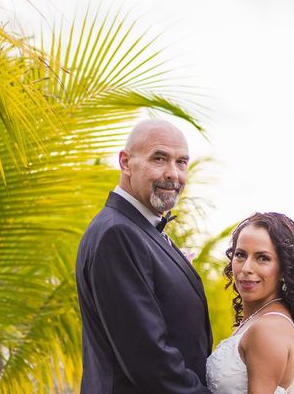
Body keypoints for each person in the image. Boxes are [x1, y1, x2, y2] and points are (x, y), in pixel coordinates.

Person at [76, 119, 213, 393]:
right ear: (126, 162)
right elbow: (150, 360)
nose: (173, 174)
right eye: (159, 159)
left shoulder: (138, 229)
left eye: (181, 162)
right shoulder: (117, 234)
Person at [206, 212, 294, 394]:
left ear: (284, 269)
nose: (246, 268)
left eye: (262, 258)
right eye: (240, 255)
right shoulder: (261, 319)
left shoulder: (268, 329)